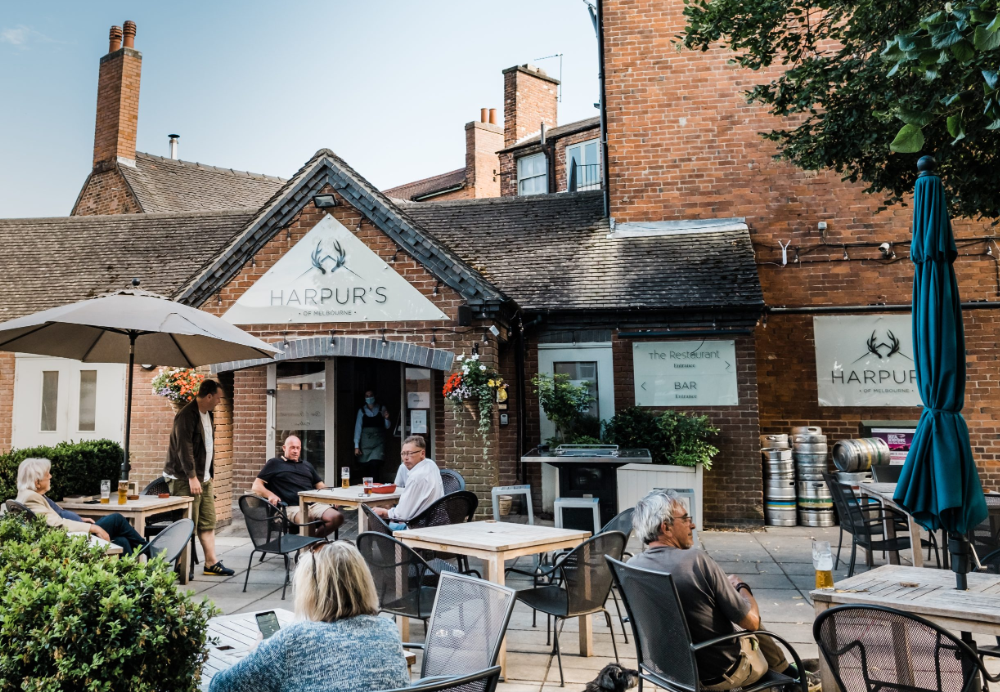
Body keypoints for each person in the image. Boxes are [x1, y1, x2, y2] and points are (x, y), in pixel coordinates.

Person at [628, 489, 791, 691]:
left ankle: (787, 675)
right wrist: (741, 587)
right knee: (750, 620)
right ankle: (790, 677)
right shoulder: (695, 561)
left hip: (669, 670)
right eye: (685, 519)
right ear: (666, 527)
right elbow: (751, 622)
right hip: (720, 673)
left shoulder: (632, 566)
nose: (692, 525)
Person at [209, 541, 409, 692]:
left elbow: (220, 687)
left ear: (312, 590)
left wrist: (257, 652)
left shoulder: (297, 637)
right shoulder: (387, 629)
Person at [163, 379, 234, 576]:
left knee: (207, 521)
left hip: (204, 478)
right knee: (187, 523)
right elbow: (183, 449)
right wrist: (192, 477)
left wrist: (208, 475)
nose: (219, 402)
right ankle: (180, 565)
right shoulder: (186, 415)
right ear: (209, 396)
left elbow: (207, 447)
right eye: (218, 398)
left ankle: (211, 563)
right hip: (184, 478)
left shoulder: (208, 414)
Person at [14, 457, 147, 554]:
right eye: (47, 474)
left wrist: (80, 519)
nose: (51, 476)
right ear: (37, 482)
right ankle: (149, 550)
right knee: (116, 519)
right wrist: (93, 528)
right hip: (73, 537)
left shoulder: (31, 494)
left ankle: (131, 578)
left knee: (121, 541)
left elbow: (53, 515)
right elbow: (57, 525)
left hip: (77, 531)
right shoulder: (31, 498)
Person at [252, 435, 344, 538]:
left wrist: (331, 498)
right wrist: (270, 495)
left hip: (313, 504)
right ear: (284, 448)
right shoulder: (274, 463)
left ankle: (313, 543)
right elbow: (256, 486)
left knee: (337, 517)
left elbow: (320, 485)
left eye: (298, 448)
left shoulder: (307, 465)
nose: (295, 451)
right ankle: (312, 545)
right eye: (292, 447)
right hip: (289, 507)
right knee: (307, 517)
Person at [372, 435, 443, 531]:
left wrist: (385, 512)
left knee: (373, 519)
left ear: (422, 453)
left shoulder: (416, 477)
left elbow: (402, 515)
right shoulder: (431, 464)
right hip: (434, 522)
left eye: (410, 453)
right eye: (403, 454)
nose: (405, 458)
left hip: (417, 528)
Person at [353, 390, 391, 480]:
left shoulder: (381, 408)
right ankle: (367, 486)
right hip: (365, 444)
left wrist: (387, 418)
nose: (369, 397)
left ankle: (376, 485)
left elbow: (387, 426)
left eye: (371, 395)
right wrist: (356, 446)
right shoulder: (361, 411)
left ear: (375, 396)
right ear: (364, 398)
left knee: (375, 465)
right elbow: (358, 428)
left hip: (378, 443)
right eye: (367, 396)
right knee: (365, 467)